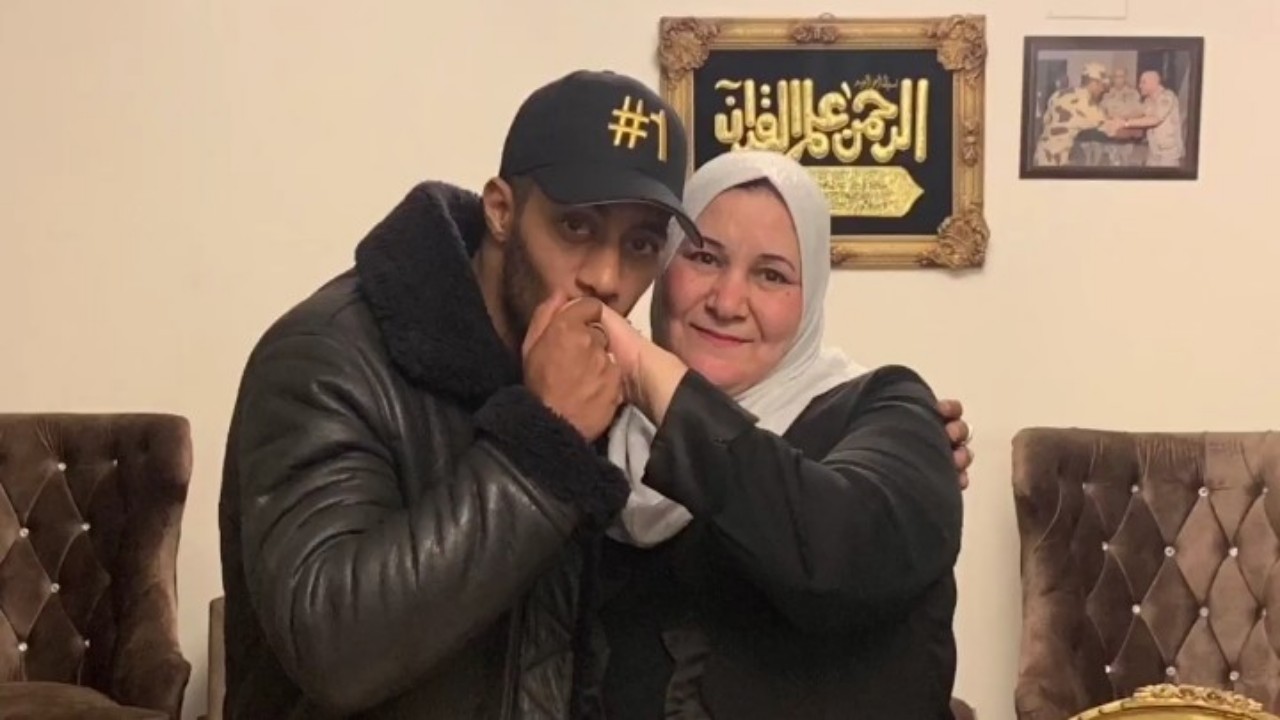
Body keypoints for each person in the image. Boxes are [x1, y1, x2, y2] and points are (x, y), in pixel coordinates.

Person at [218, 69, 974, 718]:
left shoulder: (863, 411)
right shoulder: (334, 357)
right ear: (501, 211)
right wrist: (542, 442)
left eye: (641, 244)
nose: (608, 279)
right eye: (576, 228)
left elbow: (842, 544)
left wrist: (908, 447)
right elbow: (334, 649)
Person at [585, 149, 964, 718]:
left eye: (771, 275)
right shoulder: (601, 425)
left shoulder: (887, 408)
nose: (727, 302)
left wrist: (656, 379)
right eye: (704, 257)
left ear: (811, 298)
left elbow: (836, 559)